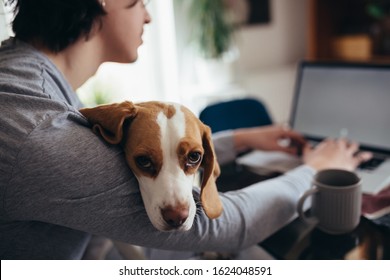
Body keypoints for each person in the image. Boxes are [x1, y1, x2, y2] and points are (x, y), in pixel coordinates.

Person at [0, 0, 371, 260]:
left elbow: (148, 150)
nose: (148, 17)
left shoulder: (28, 81)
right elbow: (220, 224)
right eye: (137, 2)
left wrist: (234, 142)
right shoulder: (41, 131)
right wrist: (317, 169)